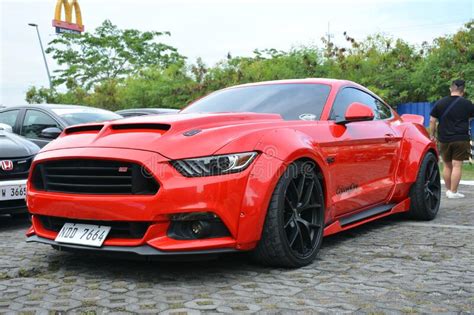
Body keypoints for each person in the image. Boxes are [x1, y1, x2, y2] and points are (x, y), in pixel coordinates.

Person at [429, 79, 474, 199]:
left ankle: (449, 190)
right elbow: (470, 118)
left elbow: (432, 120)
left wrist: (432, 135)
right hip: (461, 138)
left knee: (447, 166)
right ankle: (453, 192)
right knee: (457, 165)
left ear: (451, 89)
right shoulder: (467, 104)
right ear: (463, 91)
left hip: (444, 139)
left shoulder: (440, 103)